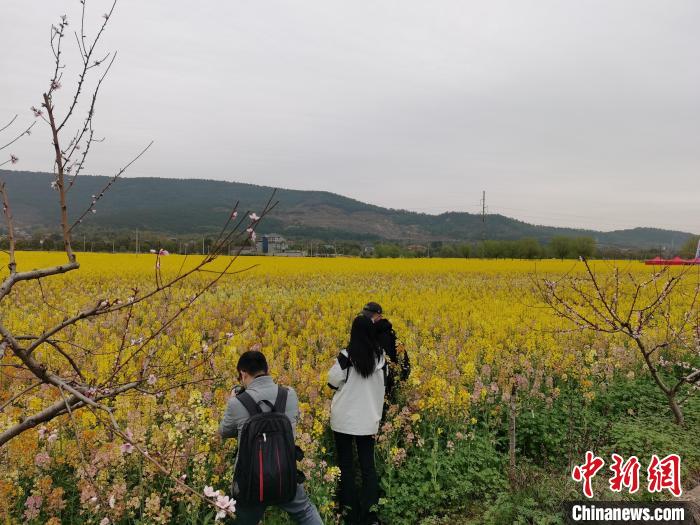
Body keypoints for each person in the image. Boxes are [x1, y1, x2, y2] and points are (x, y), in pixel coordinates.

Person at [219, 350, 323, 525]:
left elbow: (224, 431)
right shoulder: (289, 394)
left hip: (251, 479)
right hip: (285, 472)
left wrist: (233, 400)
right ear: (266, 370)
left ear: (243, 374)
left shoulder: (236, 403)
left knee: (242, 519)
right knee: (305, 511)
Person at [328, 312, 386, 525]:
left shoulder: (345, 356)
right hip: (368, 420)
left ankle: (349, 514)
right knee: (367, 466)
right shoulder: (381, 358)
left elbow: (332, 382)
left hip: (343, 419)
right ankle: (370, 515)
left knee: (346, 465)